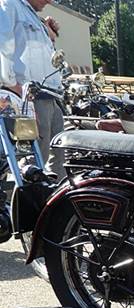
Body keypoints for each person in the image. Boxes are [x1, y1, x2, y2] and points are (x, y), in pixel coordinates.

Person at [0, 0, 65, 177]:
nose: (49, 1)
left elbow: (41, 55)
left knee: (60, 154)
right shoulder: (9, 5)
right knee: (34, 161)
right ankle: (29, 194)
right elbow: (3, 44)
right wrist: (11, 84)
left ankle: (55, 192)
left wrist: (50, 35)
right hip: (30, 98)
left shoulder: (32, 16)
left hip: (50, 95)